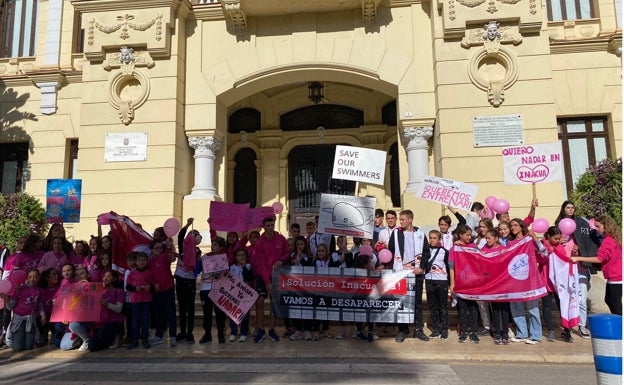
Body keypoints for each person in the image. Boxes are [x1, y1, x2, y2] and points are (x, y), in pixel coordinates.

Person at [555, 200, 600, 338]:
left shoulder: (581, 226)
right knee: (566, 299)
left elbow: (588, 244)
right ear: (563, 209)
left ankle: (582, 326)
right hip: (564, 269)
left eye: (572, 208)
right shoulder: (558, 228)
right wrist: (558, 242)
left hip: (580, 267)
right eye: (568, 207)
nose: (570, 210)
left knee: (581, 299)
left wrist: (579, 249)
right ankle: (567, 327)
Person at [388, 209, 431, 343]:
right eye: (400, 219)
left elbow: (426, 253)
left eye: (403, 219)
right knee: (402, 302)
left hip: (416, 273)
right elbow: (390, 250)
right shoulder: (396, 233)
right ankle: (403, 329)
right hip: (401, 273)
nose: (400, 222)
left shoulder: (420, 233)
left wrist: (422, 267)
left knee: (417, 302)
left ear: (411, 220)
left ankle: (418, 329)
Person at [571, 215, 622, 315]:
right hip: (615, 275)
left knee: (615, 304)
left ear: (606, 226)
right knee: (609, 300)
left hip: (616, 276)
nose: (596, 229)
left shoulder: (608, 241)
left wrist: (578, 258)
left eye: (598, 226)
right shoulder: (613, 238)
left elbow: (599, 259)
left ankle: (620, 325)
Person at [508, 218, 546, 345]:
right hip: (515, 280)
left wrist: (535, 238)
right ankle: (522, 333)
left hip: (530, 279)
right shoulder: (509, 243)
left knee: (532, 308)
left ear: (521, 226)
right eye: (511, 226)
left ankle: (536, 335)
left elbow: (544, 252)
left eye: (515, 225)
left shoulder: (529, 240)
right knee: (516, 308)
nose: (513, 228)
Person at [252, 216, 290, 343]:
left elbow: (287, 252)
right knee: (260, 302)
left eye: (272, 225)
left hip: (277, 276)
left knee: (274, 304)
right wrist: (267, 283)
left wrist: (281, 260)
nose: (270, 227)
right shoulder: (260, 243)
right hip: (264, 277)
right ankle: (261, 330)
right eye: (267, 225)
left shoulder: (280, 239)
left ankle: (272, 329)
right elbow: (261, 264)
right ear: (264, 227)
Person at [541, 226, 579, 343]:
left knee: (563, 305)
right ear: (548, 236)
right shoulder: (542, 245)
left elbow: (564, 262)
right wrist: (547, 251)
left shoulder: (560, 247)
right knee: (546, 307)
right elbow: (540, 259)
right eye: (556, 239)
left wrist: (573, 253)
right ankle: (551, 331)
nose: (558, 241)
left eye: (559, 239)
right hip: (546, 280)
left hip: (560, 283)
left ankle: (567, 331)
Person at [0, 269, 46, 351]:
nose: (32, 279)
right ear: (27, 278)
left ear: (38, 277)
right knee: (19, 348)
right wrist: (6, 299)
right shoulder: (19, 290)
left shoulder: (39, 291)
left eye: (35, 277)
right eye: (30, 277)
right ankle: (7, 340)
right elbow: (10, 306)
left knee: (29, 347)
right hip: (19, 320)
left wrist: (43, 314)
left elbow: (39, 305)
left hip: (30, 319)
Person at [449, 224, 480, 343]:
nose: (469, 236)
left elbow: (479, 261)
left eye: (470, 234)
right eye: (467, 235)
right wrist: (452, 283)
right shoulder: (454, 248)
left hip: (473, 283)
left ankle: (473, 332)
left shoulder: (474, 247)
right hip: (460, 282)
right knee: (462, 309)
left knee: (473, 308)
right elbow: (451, 267)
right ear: (460, 235)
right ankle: (463, 332)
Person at [175, 217, 202, 344]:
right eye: (192, 234)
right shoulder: (182, 249)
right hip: (180, 281)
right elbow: (180, 237)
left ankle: (190, 332)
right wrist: (187, 225)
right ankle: (183, 332)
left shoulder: (198, 252)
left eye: (196, 235)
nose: (193, 236)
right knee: (181, 307)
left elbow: (199, 269)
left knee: (190, 308)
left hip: (191, 282)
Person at [481, 229, 510, 345]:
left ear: (496, 238)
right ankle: (497, 332)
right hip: (492, 284)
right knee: (496, 309)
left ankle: (505, 333)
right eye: (486, 238)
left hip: (503, 283)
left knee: (504, 309)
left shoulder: (503, 249)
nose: (487, 240)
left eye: (489, 238)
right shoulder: (484, 249)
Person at [198, 236, 228, 344]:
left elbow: (226, 274)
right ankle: (207, 334)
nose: (213, 247)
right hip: (205, 288)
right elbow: (198, 269)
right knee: (207, 313)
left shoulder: (224, 258)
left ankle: (221, 334)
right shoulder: (205, 257)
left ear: (221, 247)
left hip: (218, 288)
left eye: (216, 245)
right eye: (212, 244)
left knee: (220, 313)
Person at [149, 240, 178, 347]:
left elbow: (169, 251)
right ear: (151, 250)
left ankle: (173, 336)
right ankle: (159, 335)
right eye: (156, 248)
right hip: (157, 291)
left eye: (160, 248)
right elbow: (150, 276)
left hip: (168, 289)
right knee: (158, 314)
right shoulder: (150, 262)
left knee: (170, 313)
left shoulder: (164, 257)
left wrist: (169, 244)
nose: (159, 250)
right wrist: (154, 283)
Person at [88, 270, 125, 351]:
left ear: (114, 279)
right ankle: (108, 340)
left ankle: (117, 335)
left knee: (102, 334)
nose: (105, 278)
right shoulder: (100, 292)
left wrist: (107, 304)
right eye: (104, 276)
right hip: (102, 322)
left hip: (115, 321)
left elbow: (119, 309)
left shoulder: (119, 291)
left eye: (109, 276)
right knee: (92, 347)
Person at [125, 252, 154, 349]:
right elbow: (128, 286)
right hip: (135, 301)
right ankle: (134, 340)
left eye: (143, 260)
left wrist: (149, 287)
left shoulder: (149, 272)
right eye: (139, 260)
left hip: (146, 300)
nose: (141, 262)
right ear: (136, 262)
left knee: (145, 320)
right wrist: (134, 288)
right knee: (135, 320)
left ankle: (145, 339)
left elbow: (153, 285)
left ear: (147, 261)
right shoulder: (132, 273)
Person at [424, 230, 450, 340]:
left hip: (441, 281)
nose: (431, 240)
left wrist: (449, 282)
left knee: (442, 307)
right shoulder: (425, 251)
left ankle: (444, 329)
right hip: (429, 281)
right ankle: (436, 329)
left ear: (439, 239)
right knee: (433, 307)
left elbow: (448, 267)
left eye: (434, 238)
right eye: (430, 237)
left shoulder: (444, 251)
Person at [229, 248, 253, 342]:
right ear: (235, 257)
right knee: (233, 313)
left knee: (245, 314)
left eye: (243, 255)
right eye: (239, 255)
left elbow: (248, 278)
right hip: (234, 293)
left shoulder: (248, 266)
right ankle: (233, 332)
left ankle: (244, 332)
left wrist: (244, 267)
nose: (241, 257)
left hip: (245, 294)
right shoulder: (232, 267)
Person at [37, 267, 60, 346]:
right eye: (53, 274)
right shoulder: (42, 291)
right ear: (47, 278)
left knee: (56, 342)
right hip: (45, 320)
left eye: (57, 274)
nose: (56, 276)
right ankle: (42, 334)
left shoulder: (60, 288)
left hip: (57, 320)